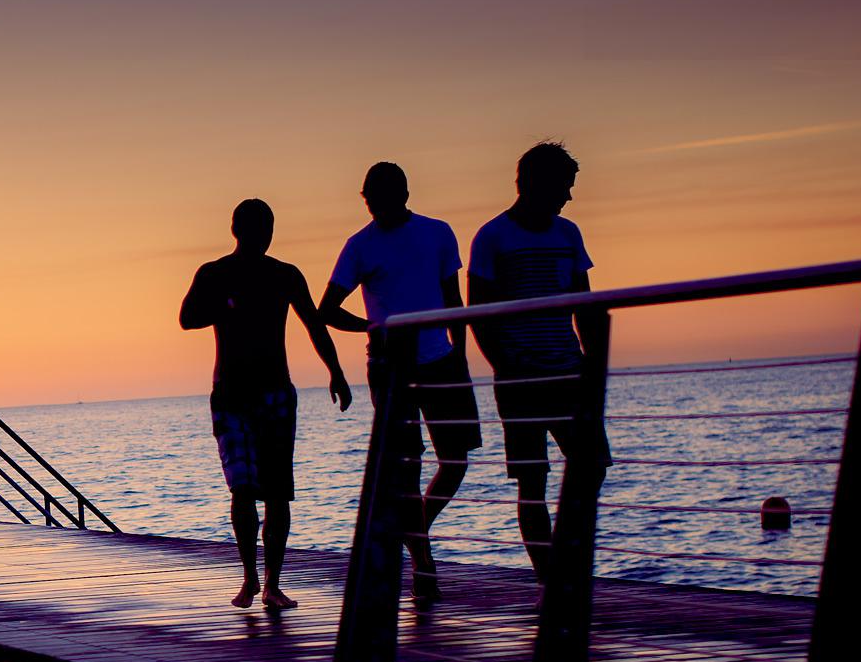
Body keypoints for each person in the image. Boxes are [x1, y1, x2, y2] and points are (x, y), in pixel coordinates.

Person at [319, 162, 480, 605]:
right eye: (367, 197)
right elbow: (327, 308)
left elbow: (453, 298)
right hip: (390, 365)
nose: (371, 204)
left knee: (457, 458)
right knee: (407, 468)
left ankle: (414, 530)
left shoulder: (438, 233)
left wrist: (461, 353)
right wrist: (374, 326)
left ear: (403, 194)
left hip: (442, 359)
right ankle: (423, 564)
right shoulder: (359, 246)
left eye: (378, 196)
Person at [181, 198, 351, 608]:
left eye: (267, 228)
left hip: (275, 392)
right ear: (238, 230)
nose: (263, 235)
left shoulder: (285, 275)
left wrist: (337, 371)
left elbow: (314, 324)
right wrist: (226, 305)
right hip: (232, 395)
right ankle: (250, 578)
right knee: (242, 488)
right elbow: (187, 317)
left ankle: (272, 583)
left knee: (277, 492)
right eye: (257, 228)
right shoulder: (215, 273)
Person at [469, 141, 609, 581]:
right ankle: (550, 578)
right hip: (520, 377)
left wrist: (593, 362)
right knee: (533, 484)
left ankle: (566, 559)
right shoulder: (492, 237)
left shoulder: (568, 234)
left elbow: (583, 302)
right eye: (564, 185)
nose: (569, 196)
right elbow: (480, 313)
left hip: (569, 371)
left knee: (593, 466)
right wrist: (506, 364)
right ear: (536, 183)